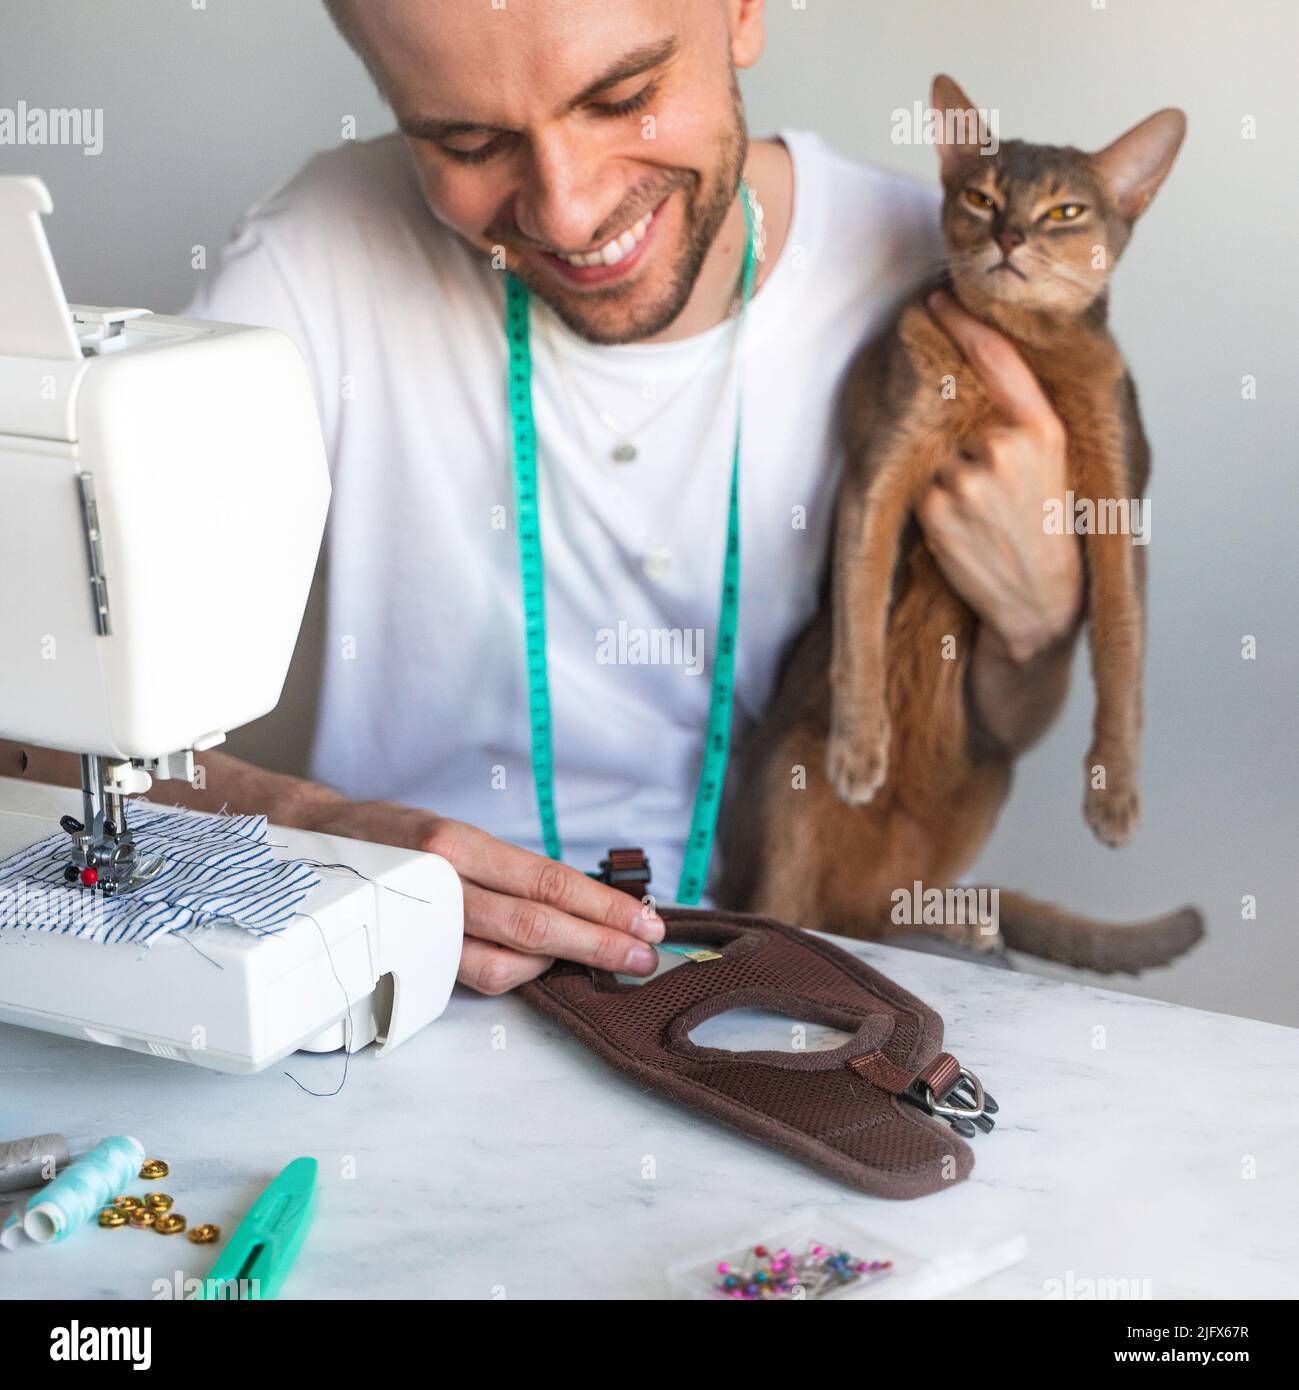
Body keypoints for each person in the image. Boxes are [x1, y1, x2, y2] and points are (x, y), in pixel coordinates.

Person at [5, 0, 1083, 994]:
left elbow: (998, 726)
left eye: (622, 98)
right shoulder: (322, 255)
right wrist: (305, 823)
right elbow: (41, 703)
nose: (567, 211)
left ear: (743, 10)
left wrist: (1036, 625)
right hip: (412, 958)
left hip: (776, 959)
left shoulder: (934, 278)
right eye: (467, 143)